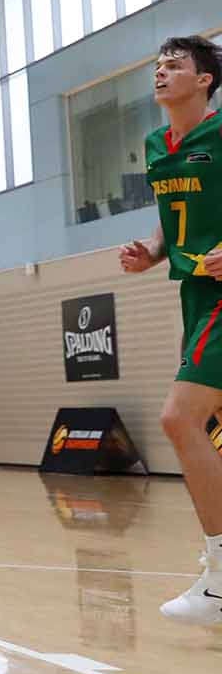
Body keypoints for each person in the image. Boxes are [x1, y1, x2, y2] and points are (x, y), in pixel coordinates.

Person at [118, 34, 222, 626]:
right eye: (157, 65)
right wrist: (153, 251)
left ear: (204, 79)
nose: (161, 73)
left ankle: (220, 577)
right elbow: (171, 215)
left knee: (179, 418)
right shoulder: (159, 144)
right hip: (195, 292)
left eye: (175, 65)